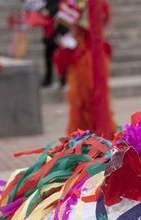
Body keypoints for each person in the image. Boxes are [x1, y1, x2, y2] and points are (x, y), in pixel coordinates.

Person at [56, 0, 115, 135]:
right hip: (81, 56)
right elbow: (63, 24)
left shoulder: (96, 4)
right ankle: (83, 134)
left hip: (92, 55)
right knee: (81, 101)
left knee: (94, 97)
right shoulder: (73, 3)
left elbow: (103, 18)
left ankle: (96, 133)